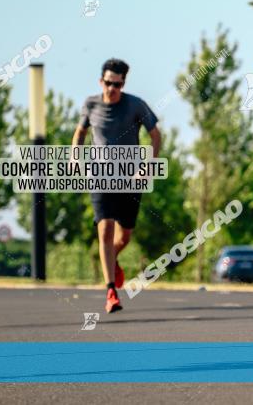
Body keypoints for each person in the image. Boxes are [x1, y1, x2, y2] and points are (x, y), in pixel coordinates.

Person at [72, 58, 161, 314]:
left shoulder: (135, 105)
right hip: (100, 176)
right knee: (105, 231)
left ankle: (113, 261)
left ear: (123, 84)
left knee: (124, 237)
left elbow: (155, 135)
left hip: (130, 177)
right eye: (108, 83)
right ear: (101, 81)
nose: (112, 89)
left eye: (117, 84)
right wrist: (74, 157)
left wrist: (147, 166)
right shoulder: (90, 104)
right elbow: (79, 133)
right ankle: (111, 291)